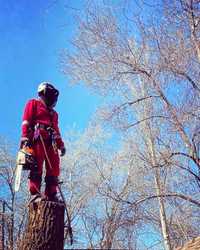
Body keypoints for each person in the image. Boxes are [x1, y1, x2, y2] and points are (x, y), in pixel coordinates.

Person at [20, 82, 66, 201]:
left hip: (52, 142)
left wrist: (61, 145)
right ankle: (35, 193)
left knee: (54, 166)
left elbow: (56, 130)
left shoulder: (54, 114)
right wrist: (25, 137)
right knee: (36, 164)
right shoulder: (33, 103)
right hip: (37, 138)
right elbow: (26, 120)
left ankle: (51, 194)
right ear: (44, 93)